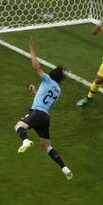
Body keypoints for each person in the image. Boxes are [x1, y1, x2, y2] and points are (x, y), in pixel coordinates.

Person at [14, 37, 73, 180]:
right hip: (45, 118)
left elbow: (37, 67)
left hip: (37, 113)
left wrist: (32, 49)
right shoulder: (57, 90)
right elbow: (44, 100)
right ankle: (64, 168)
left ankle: (25, 141)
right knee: (46, 146)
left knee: (19, 126)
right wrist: (35, 92)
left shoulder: (47, 80)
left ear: (52, 74)